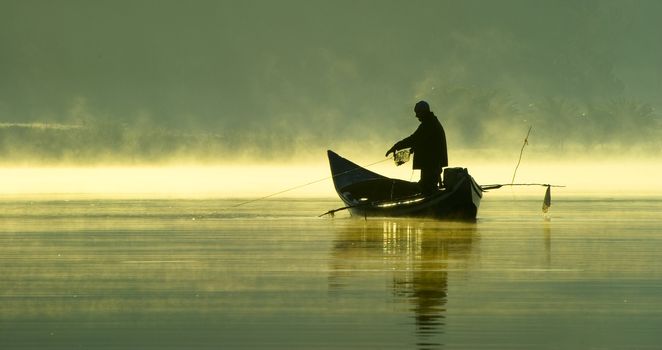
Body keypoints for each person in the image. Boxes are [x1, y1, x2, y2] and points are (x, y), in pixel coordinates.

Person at [385, 101, 448, 195]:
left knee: (427, 188)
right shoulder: (431, 122)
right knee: (427, 187)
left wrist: (396, 147)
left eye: (417, 113)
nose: (416, 116)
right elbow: (424, 141)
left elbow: (414, 139)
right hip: (432, 164)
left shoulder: (428, 125)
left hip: (431, 164)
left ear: (423, 112)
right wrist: (412, 150)